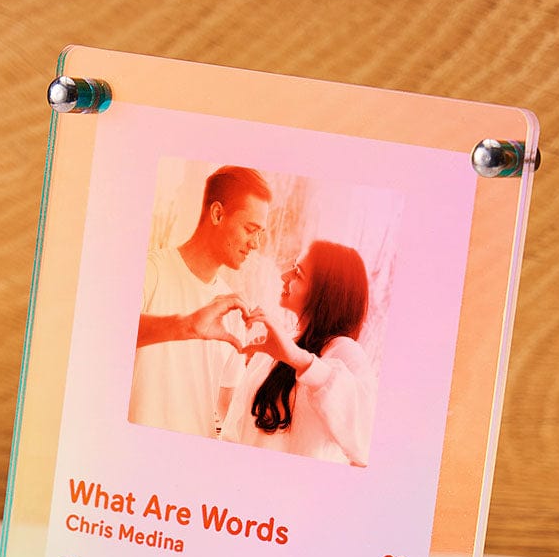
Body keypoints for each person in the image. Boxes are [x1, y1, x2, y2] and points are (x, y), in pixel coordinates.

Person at [128, 166, 271, 438]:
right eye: (250, 229)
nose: (255, 244)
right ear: (217, 214)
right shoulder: (150, 272)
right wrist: (187, 326)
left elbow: (225, 411)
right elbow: (110, 335)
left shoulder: (232, 310)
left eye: (260, 233)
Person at [221, 240, 375, 466]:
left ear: (324, 293)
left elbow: (365, 439)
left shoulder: (345, 351)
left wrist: (300, 361)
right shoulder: (276, 344)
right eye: (293, 267)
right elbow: (235, 426)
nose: (284, 275)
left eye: (298, 273)